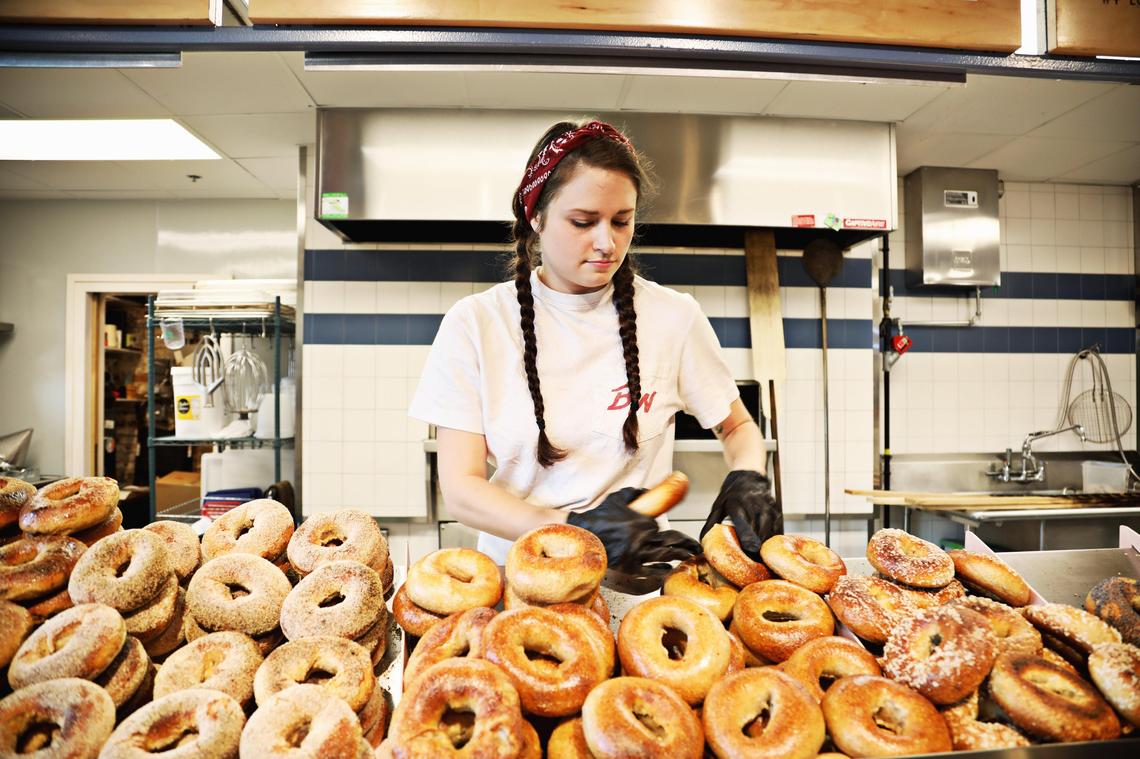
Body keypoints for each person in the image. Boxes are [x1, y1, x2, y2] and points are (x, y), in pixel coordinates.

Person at [409, 119, 782, 580]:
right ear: (537, 218)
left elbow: (737, 427)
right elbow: (462, 489)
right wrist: (572, 530)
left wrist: (748, 476)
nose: (607, 243)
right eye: (583, 222)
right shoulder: (476, 325)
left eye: (621, 221)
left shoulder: (673, 317)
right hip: (522, 574)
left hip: (637, 575)